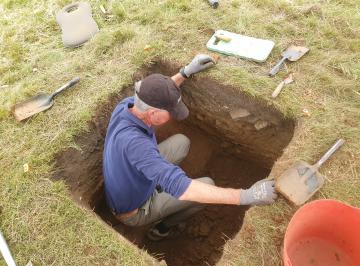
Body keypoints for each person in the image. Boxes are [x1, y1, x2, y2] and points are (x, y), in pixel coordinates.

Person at [103, 54, 278, 241]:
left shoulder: (128, 106)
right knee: (206, 187)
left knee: (181, 143)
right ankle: (161, 229)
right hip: (134, 210)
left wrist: (184, 72)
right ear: (153, 113)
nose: (172, 115)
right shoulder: (138, 147)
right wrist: (247, 196)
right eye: (169, 111)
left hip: (129, 180)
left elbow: (156, 93)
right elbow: (183, 188)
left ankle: (158, 185)